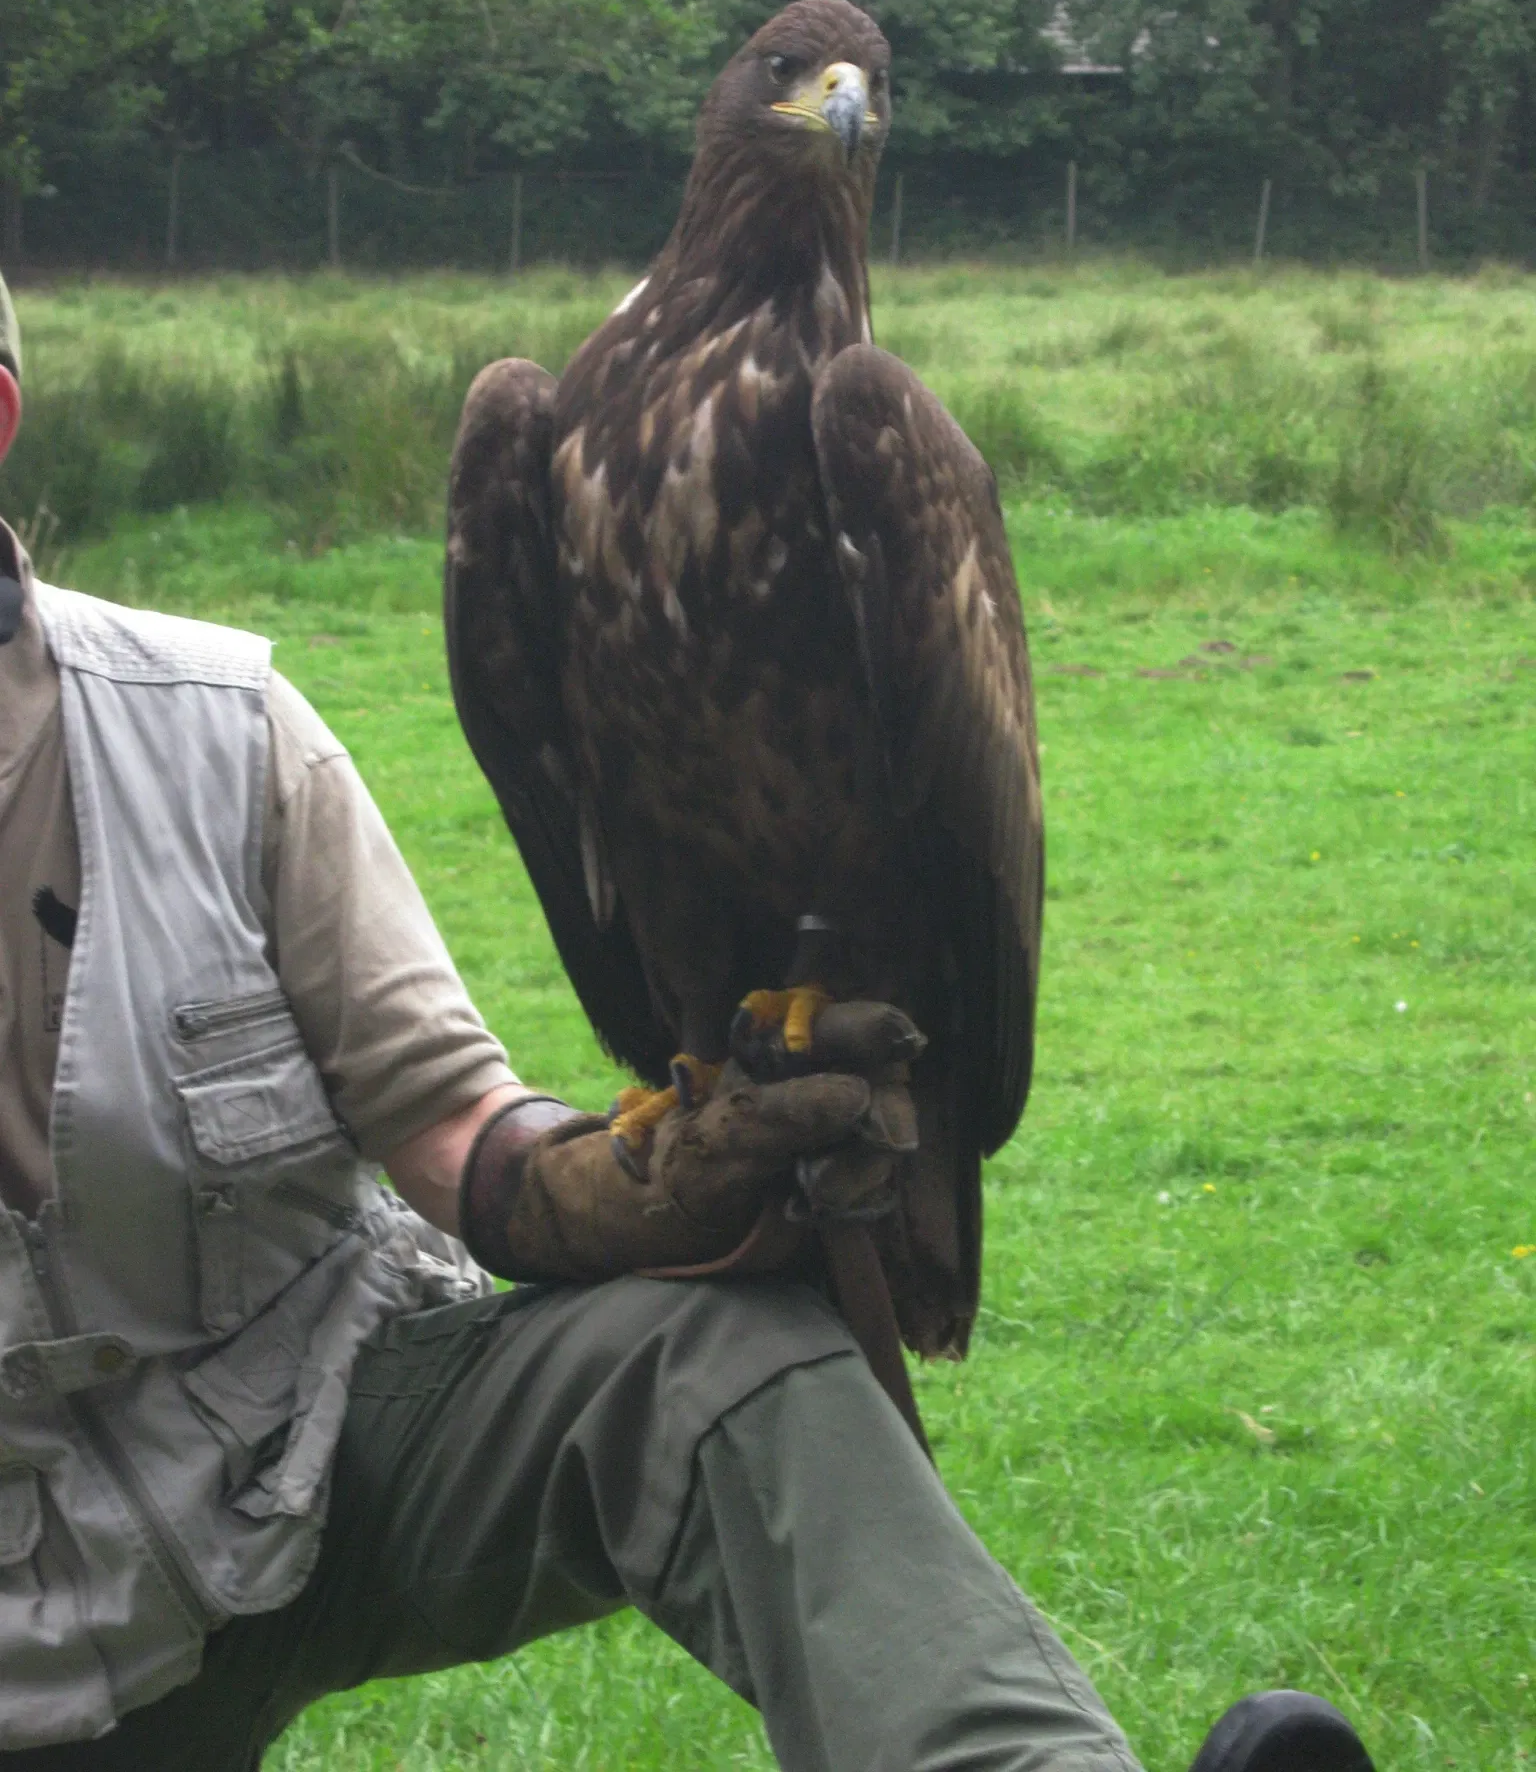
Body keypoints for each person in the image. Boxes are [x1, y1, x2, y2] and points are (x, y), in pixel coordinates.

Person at [0, 271, 1373, 1771]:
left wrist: (624, 1190)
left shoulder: (214, 734)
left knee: (705, 1355)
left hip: (289, 1469)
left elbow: (448, 1121)